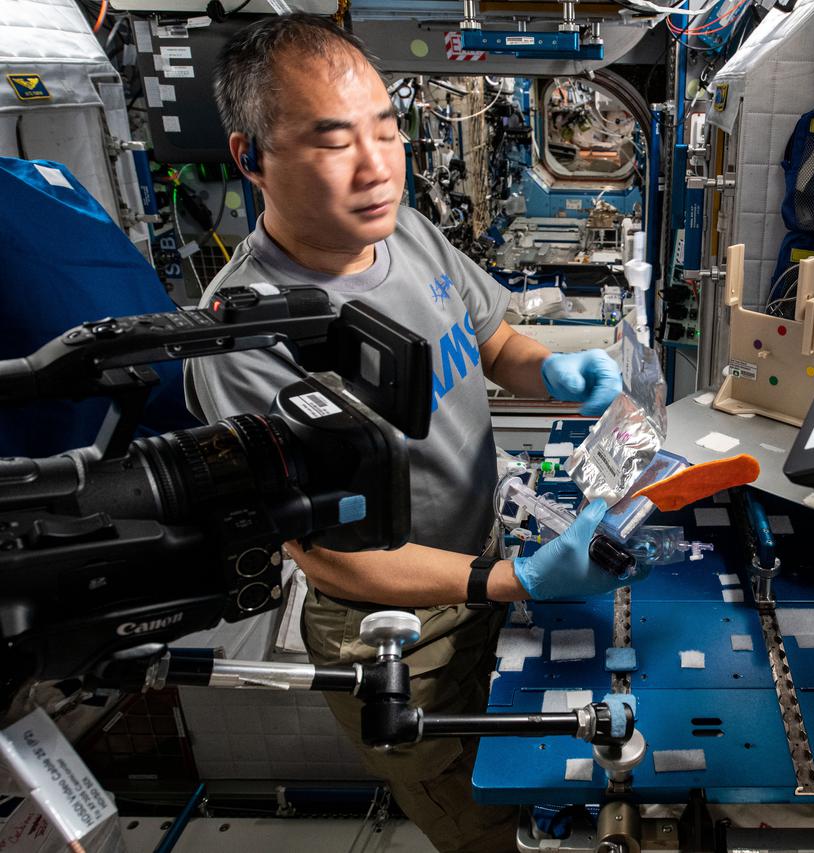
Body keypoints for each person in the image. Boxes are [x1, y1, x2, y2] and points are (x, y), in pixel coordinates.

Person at [185, 14, 637, 852]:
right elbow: (327, 553)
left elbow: (496, 338)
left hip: (491, 558)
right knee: (479, 812)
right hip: (397, 625)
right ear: (251, 158)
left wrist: (557, 374)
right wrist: (514, 579)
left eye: (386, 130)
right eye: (332, 142)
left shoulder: (405, 228)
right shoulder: (243, 341)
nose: (376, 167)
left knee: (554, 766)